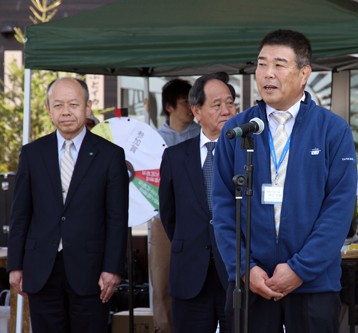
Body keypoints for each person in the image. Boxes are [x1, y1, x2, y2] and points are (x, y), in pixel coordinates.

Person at [212, 29, 357, 333]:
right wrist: (244, 268)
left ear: (304, 73)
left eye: (279, 65)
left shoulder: (332, 130)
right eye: (262, 64)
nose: (268, 73)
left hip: (313, 284)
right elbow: (223, 205)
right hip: (250, 284)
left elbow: (339, 209)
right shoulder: (238, 129)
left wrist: (298, 270)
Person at [7, 77, 129, 333]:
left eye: (73, 104)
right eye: (58, 105)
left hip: (92, 271)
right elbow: (20, 213)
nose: (66, 111)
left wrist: (112, 268)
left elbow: (117, 218)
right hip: (41, 268)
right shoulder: (32, 153)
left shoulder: (111, 155)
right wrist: (16, 265)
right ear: (49, 110)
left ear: (87, 107)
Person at [159, 72, 236, 333]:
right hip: (190, 273)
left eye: (230, 103)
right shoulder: (174, 156)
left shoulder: (249, 153)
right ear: (197, 111)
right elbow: (170, 216)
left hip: (237, 275)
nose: (226, 110)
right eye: (217, 104)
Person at [151, 78, 200, 333]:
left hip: (197, 218)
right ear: (169, 107)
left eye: (193, 103)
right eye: (185, 103)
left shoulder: (204, 135)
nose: (191, 108)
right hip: (162, 220)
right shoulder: (152, 141)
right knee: (162, 282)